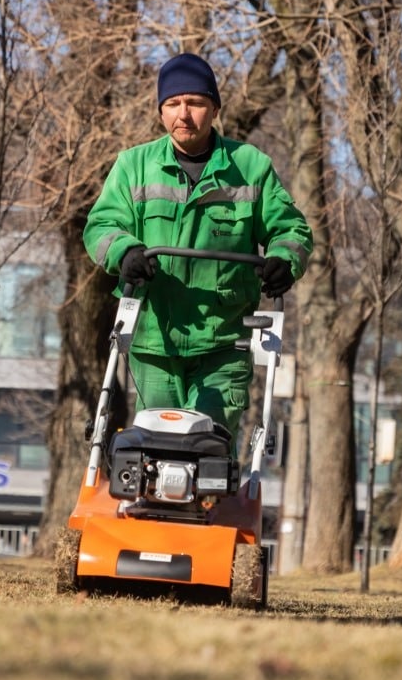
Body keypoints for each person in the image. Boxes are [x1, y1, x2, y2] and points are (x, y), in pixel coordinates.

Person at [84, 52, 314, 446]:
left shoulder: (250, 167)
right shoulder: (133, 166)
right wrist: (125, 252)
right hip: (155, 340)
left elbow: (290, 228)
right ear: (161, 111)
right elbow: (102, 226)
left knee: (209, 445)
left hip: (224, 341)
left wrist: (284, 259)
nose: (183, 114)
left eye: (195, 103)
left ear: (215, 109)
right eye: (173, 104)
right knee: (156, 447)